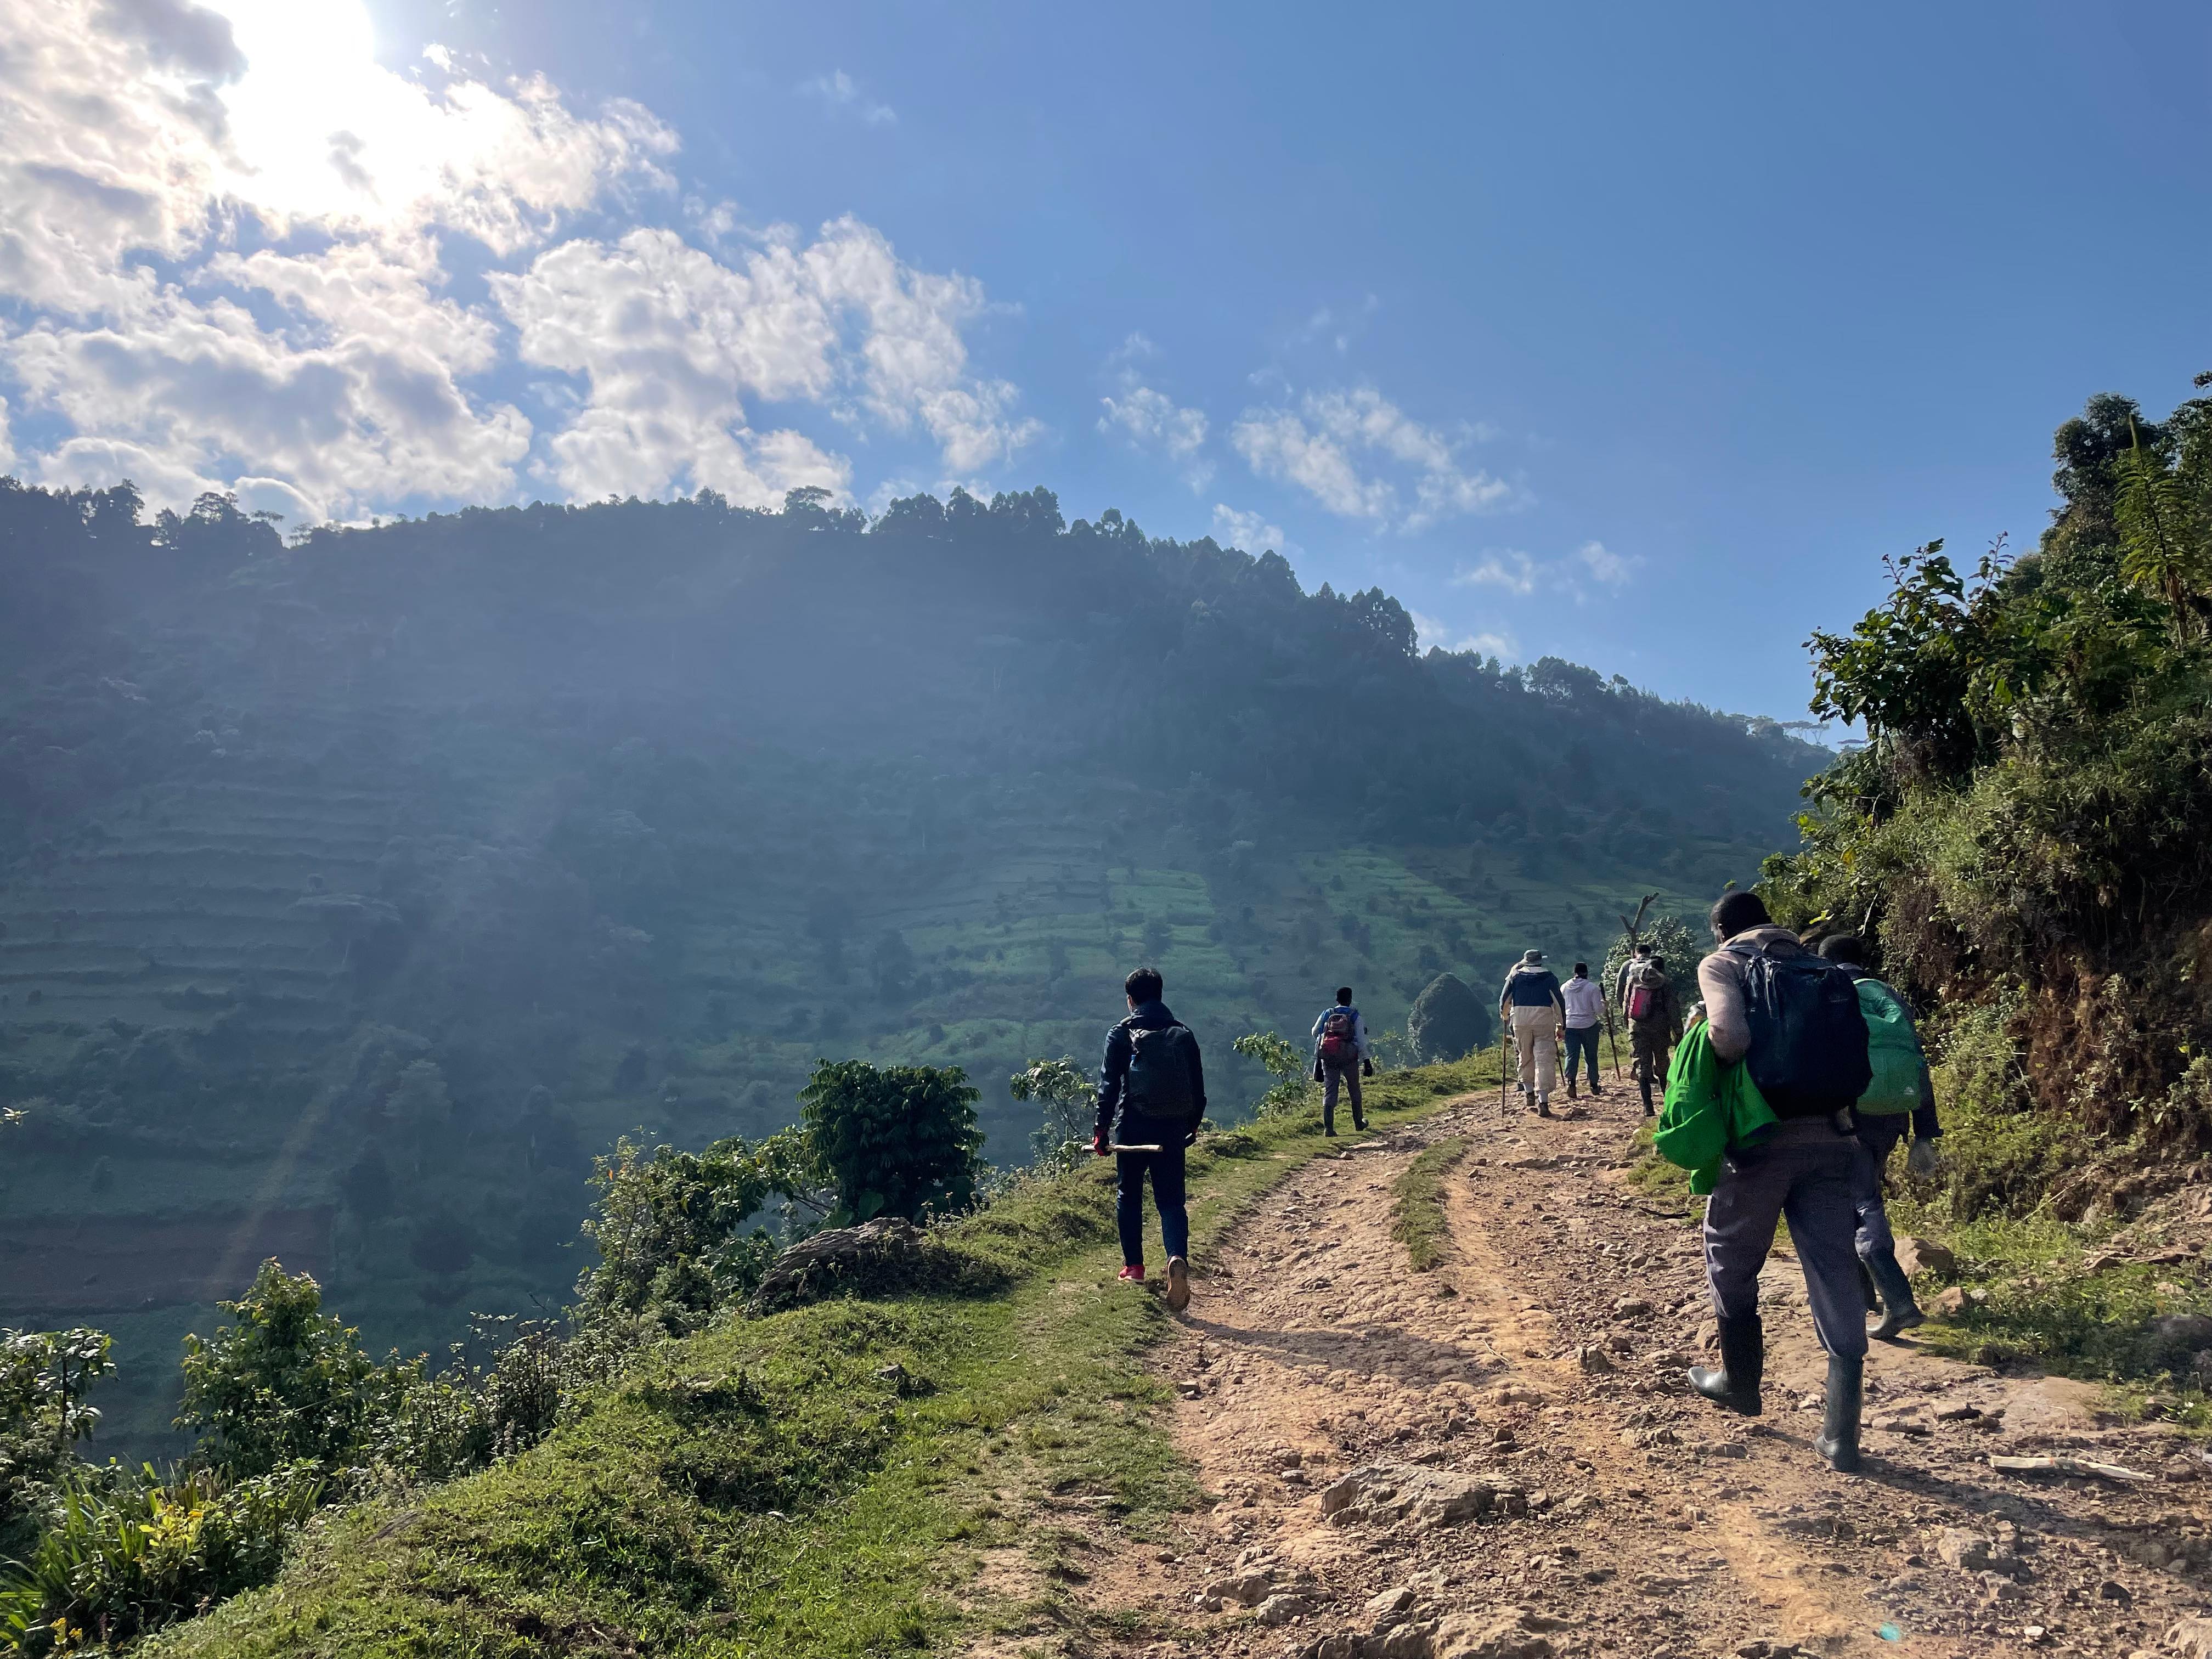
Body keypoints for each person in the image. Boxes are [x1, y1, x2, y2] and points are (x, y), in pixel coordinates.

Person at [1684, 891, 1874, 1472]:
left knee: (1731, 1257)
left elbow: (1730, 1038)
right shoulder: (1820, 967)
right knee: (1833, 1267)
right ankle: (1841, 1435)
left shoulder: (1724, 964)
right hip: (1834, 1137)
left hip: (1761, 1139)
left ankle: (1740, 1383)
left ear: (1722, 931)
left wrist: (1699, 1038)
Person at [1818, 934, 1943, 1341]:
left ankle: (1899, 1302)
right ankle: (1865, 1296)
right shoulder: (1887, 996)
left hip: (1851, 1116)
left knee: (1861, 1203)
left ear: (1827, 962)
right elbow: (1917, 1062)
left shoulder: (1831, 992)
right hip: (1893, 1116)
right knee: (1862, 1194)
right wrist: (1925, 1132)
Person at [1094, 966, 1207, 1312]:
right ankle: (1176, 1258)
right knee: (1171, 1201)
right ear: (1160, 994)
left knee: (1129, 1193)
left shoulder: (1121, 1033)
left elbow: (1109, 1086)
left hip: (1133, 1127)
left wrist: (1101, 1130)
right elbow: (1197, 1087)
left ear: (1131, 1000)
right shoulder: (1182, 1034)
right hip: (1171, 1128)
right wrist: (1192, 1125)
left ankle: (1134, 1268)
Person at [1498, 949, 1567, 1117]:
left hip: (1521, 1021)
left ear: (1525, 961)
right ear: (1540, 961)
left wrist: (1505, 1016)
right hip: (1544, 1021)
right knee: (1544, 1058)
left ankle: (1529, 1091)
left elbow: (1504, 1000)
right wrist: (1561, 1026)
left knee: (1525, 1055)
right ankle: (1543, 1100)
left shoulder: (1515, 977)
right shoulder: (1549, 978)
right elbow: (1559, 1003)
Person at [1625, 952, 1684, 1118]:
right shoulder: (1665, 983)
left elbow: (1627, 1004)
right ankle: (1667, 1103)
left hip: (1637, 1028)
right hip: (1660, 1029)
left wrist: (1628, 1025)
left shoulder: (1634, 980)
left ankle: (1648, 1107)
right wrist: (1678, 1032)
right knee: (1662, 1063)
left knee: (1642, 1066)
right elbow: (1673, 1009)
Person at [1310, 986, 1372, 1136]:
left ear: (1337, 1000)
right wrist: (1366, 1061)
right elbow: (1361, 1041)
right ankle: (1358, 1123)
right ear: (1350, 1000)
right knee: (1354, 1089)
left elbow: (1315, 1032)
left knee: (1330, 1090)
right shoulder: (1354, 1016)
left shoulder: (1328, 1013)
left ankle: (1329, 1128)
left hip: (1329, 1056)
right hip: (1349, 1057)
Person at [1560, 962, 1606, 1098]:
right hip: (1589, 1025)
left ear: (1574, 972)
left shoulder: (1565, 987)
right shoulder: (1592, 988)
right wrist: (1605, 1005)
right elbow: (1598, 1010)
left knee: (1571, 1055)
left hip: (1570, 1025)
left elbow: (1561, 1007)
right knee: (1591, 1056)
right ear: (1587, 973)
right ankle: (1594, 1084)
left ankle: (1571, 1083)